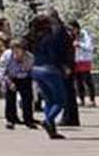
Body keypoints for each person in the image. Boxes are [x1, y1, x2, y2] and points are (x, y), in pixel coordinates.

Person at [28, 11, 72, 140]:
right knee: (60, 101)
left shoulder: (34, 37)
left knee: (49, 101)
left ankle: (52, 130)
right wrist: (63, 66)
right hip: (49, 70)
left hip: (36, 70)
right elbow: (54, 55)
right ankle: (48, 120)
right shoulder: (50, 38)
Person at [0, 37, 34, 129]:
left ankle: (28, 120)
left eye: (19, 50)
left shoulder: (29, 57)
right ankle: (10, 120)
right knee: (10, 99)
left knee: (27, 99)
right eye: (14, 49)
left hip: (24, 78)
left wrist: (22, 62)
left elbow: (30, 71)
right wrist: (9, 83)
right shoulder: (6, 55)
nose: (16, 52)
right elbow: (2, 72)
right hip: (10, 77)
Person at [72, 21, 97, 108]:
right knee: (78, 82)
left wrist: (79, 44)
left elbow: (89, 47)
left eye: (73, 29)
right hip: (76, 61)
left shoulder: (85, 34)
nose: (72, 31)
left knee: (88, 81)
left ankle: (92, 100)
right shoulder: (72, 36)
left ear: (77, 28)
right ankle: (81, 99)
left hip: (85, 60)